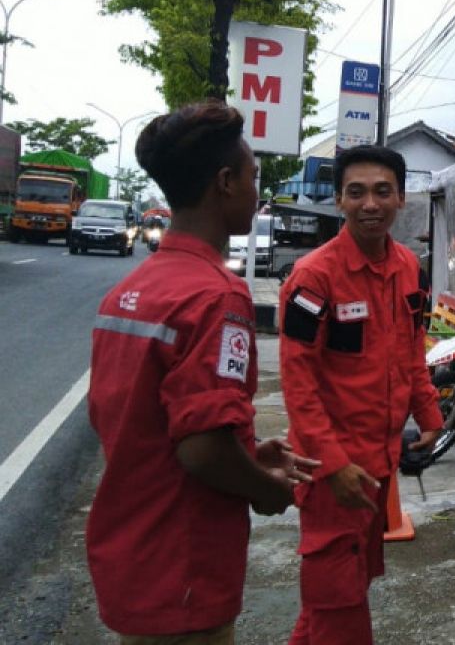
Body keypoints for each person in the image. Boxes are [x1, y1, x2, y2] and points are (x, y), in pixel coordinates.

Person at [87, 100, 317, 643]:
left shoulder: (128, 293)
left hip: (131, 552)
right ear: (224, 183)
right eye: (253, 177)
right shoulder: (217, 297)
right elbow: (201, 450)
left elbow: (146, 425)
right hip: (183, 567)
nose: (256, 190)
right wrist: (265, 488)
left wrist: (244, 448)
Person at [279, 145, 444, 645]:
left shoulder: (408, 266)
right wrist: (331, 463)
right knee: (339, 604)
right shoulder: (314, 277)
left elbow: (412, 348)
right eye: (356, 193)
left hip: (379, 463)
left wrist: (429, 413)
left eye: (381, 191)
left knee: (345, 589)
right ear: (338, 202)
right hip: (333, 473)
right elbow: (298, 383)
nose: (370, 204)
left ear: (401, 198)